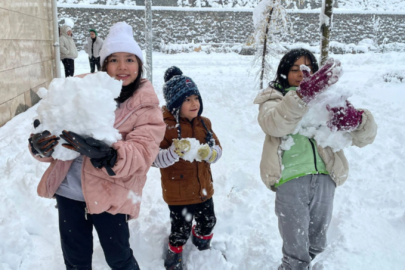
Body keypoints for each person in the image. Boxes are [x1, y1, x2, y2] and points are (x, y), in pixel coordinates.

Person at [28, 22, 166, 270]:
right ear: (104, 64)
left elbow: (145, 150)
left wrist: (112, 155)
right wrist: (40, 145)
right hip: (70, 192)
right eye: (114, 59)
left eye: (130, 60)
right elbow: (55, 130)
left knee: (119, 258)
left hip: (112, 195)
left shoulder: (146, 106)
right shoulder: (81, 90)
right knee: (75, 259)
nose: (122, 67)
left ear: (139, 65)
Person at [253, 48, 377, 270]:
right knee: (295, 248)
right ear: (284, 73)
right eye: (295, 69)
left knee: (316, 243)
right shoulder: (272, 98)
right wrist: (302, 96)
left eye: (308, 68)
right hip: (290, 178)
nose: (302, 73)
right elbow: (274, 124)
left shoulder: (326, 100)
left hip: (324, 177)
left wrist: (357, 121)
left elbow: (366, 137)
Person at [153, 66, 223, 270]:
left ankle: (202, 244)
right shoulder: (163, 127)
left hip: (203, 189)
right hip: (178, 193)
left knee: (208, 222)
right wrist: (174, 153)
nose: (194, 104)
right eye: (187, 99)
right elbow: (154, 159)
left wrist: (210, 154)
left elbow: (218, 148)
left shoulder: (204, 123)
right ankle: (174, 256)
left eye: (196, 98)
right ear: (175, 104)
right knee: (180, 230)